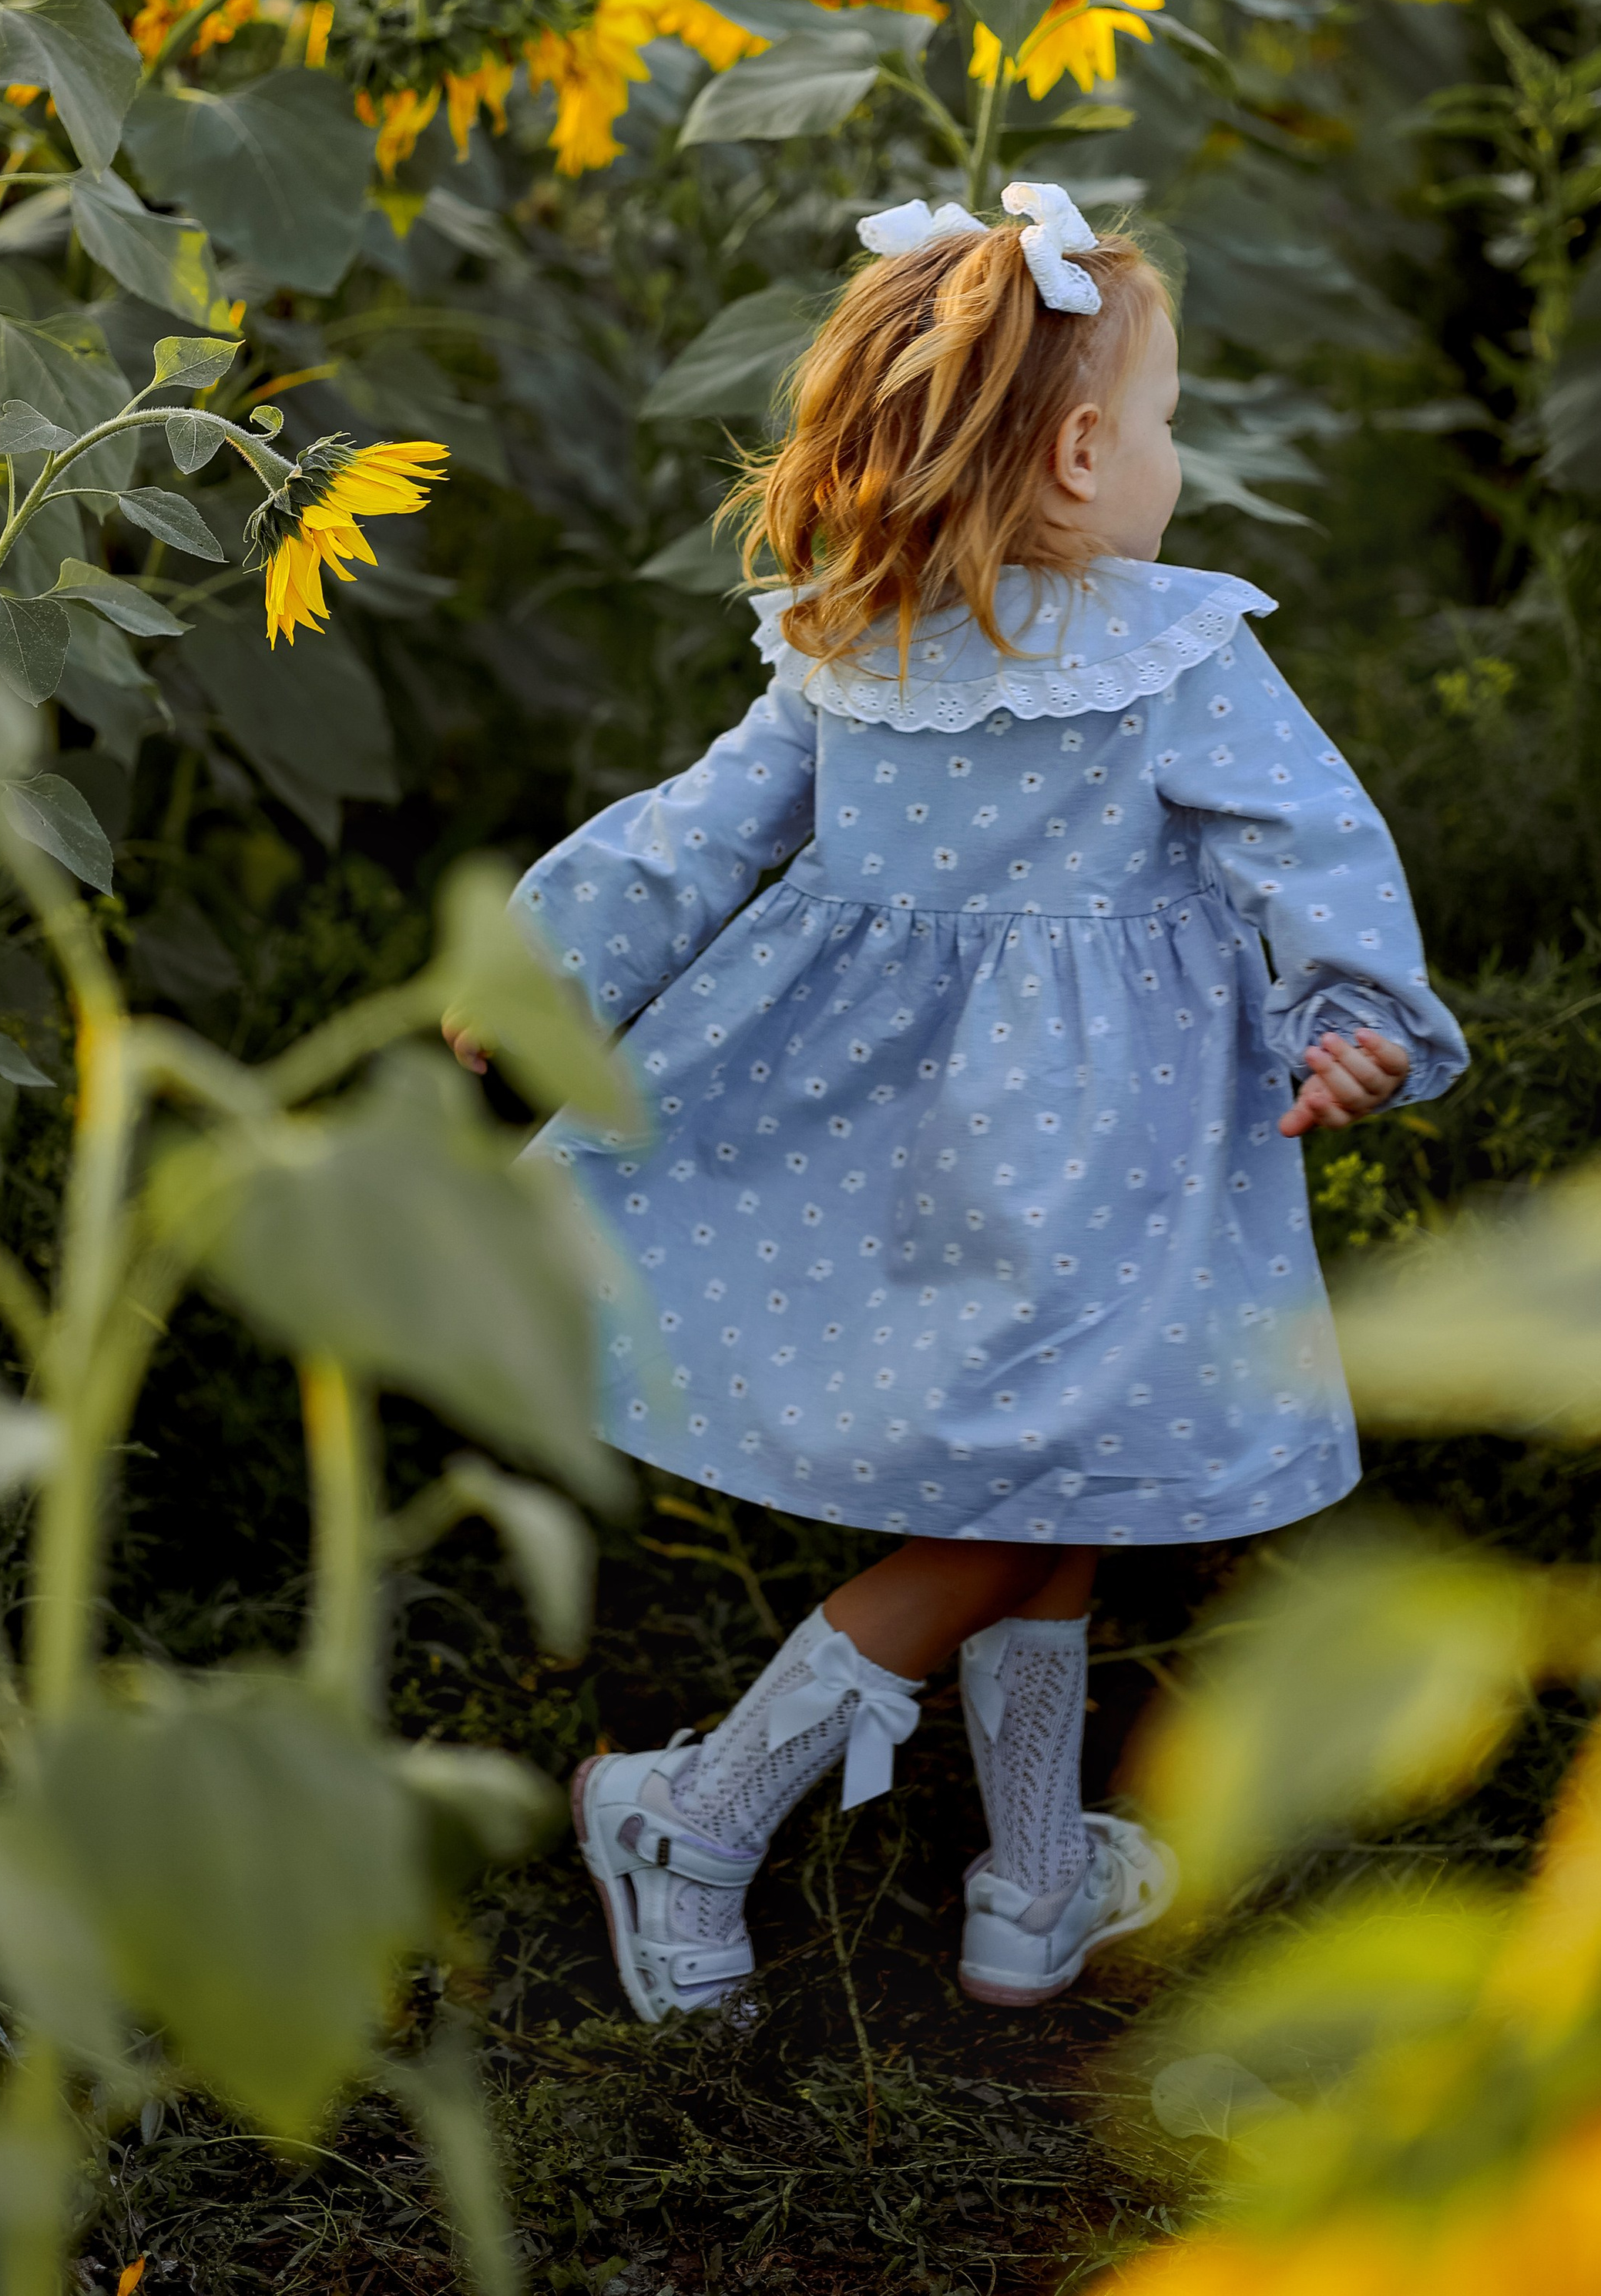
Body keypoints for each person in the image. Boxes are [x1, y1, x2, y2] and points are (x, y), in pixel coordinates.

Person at [446, 183, 1468, 2024]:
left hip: (904, 1134)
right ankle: (698, 1810)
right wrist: (1347, 1001)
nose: (1174, 461)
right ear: (1081, 452)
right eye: (1162, 426)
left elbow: (691, 838)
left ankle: (1030, 1877)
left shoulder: (861, 640)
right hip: (1101, 1154)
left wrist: (549, 961)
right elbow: (1310, 842)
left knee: (1052, 1475)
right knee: (1019, 1498)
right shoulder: (1170, 650)